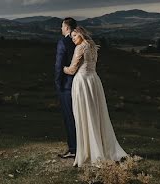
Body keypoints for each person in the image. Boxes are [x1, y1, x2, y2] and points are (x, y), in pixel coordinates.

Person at [63, 25, 128, 167]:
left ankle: (90, 151)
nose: (73, 39)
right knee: (97, 114)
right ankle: (101, 147)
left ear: (80, 34)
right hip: (94, 81)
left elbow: (73, 69)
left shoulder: (80, 48)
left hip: (82, 82)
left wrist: (63, 69)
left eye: (74, 36)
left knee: (84, 115)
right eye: (72, 36)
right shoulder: (92, 46)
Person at [53, 17, 78, 159]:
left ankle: (73, 149)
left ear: (67, 28)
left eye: (62, 26)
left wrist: (58, 84)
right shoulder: (80, 41)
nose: (61, 29)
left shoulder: (63, 41)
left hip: (67, 85)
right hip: (80, 84)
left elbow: (59, 65)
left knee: (69, 117)